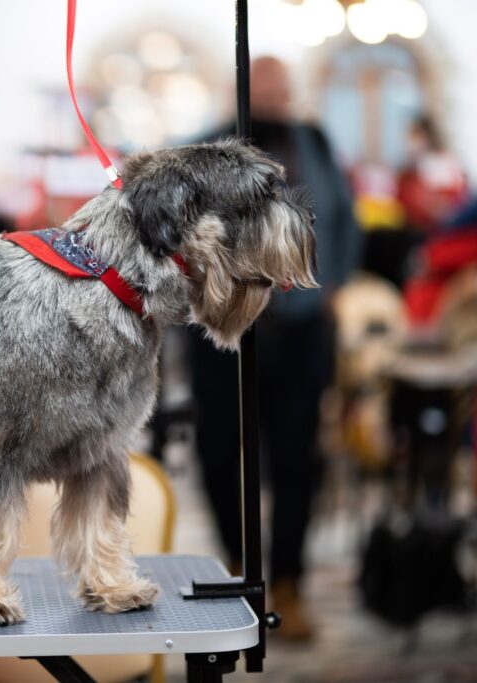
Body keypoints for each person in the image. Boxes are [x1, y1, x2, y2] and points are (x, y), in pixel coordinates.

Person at [187, 55, 361, 641]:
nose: (276, 92)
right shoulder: (203, 149)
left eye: (281, 83)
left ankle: (288, 578)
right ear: (240, 87)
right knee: (217, 452)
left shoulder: (314, 140)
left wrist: (332, 282)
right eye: (263, 82)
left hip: (305, 328)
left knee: (298, 457)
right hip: (225, 334)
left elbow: (344, 219)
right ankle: (243, 567)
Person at [397, 115, 468, 233]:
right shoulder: (411, 166)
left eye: (414, 134)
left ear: (426, 135)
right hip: (413, 226)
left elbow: (446, 204)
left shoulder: (440, 162)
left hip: (434, 230)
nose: (409, 140)